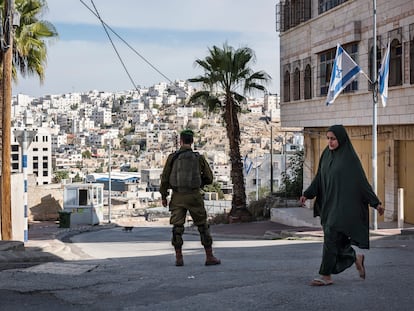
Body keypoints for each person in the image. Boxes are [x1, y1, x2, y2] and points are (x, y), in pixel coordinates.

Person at [299, 124, 385, 286]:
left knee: (330, 235)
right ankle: (355, 258)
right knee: (337, 240)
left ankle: (325, 275)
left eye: (333, 139)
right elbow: (319, 178)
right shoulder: (326, 154)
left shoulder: (350, 159)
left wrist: (375, 203)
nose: (330, 142)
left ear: (341, 139)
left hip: (344, 207)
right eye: (328, 139)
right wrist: (307, 194)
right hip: (329, 205)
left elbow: (361, 183)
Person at [160, 129, 221, 266]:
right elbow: (209, 178)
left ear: (180, 141)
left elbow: (164, 178)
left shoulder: (173, 157)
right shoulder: (198, 158)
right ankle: (209, 256)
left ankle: (179, 257)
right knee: (202, 226)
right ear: (192, 141)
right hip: (194, 196)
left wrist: (164, 195)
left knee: (177, 227)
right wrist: (199, 184)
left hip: (177, 196)